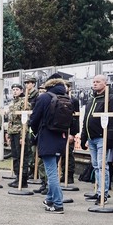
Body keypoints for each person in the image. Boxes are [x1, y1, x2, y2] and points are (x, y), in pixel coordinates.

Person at [29, 76, 72, 214]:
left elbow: (34, 119)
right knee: (53, 169)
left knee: (51, 173)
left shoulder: (44, 97)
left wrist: (34, 132)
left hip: (47, 137)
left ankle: (58, 204)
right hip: (61, 138)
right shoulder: (67, 98)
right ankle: (50, 199)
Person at [79, 74, 113, 204]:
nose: (95, 84)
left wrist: (110, 138)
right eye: (94, 82)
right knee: (96, 166)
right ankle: (98, 191)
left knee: (103, 166)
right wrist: (83, 137)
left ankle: (104, 194)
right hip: (92, 138)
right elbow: (86, 119)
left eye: (98, 82)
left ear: (105, 83)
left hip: (103, 137)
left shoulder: (111, 98)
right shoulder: (92, 99)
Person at [5, 83, 30, 188]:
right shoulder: (12, 103)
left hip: (20, 132)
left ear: (21, 91)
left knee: (22, 157)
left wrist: (22, 137)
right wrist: (8, 133)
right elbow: (10, 120)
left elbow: (25, 121)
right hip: (13, 132)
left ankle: (23, 179)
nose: (14, 91)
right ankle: (17, 177)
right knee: (15, 156)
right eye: (13, 89)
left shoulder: (24, 103)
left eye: (17, 89)